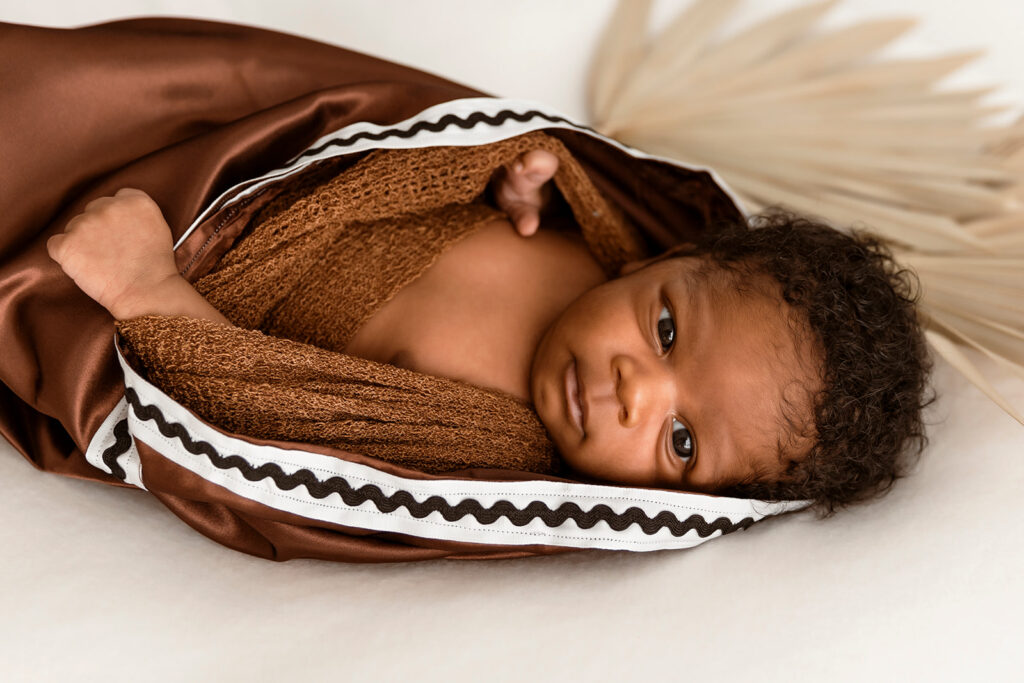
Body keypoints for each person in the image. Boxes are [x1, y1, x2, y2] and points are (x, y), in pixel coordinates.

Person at [45, 146, 931, 517]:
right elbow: (431, 164)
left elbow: (281, 420)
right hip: (244, 177)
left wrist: (150, 289)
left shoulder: (493, 442)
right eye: (665, 329)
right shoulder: (596, 234)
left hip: (200, 271)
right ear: (660, 261)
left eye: (683, 438)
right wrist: (507, 175)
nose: (635, 389)